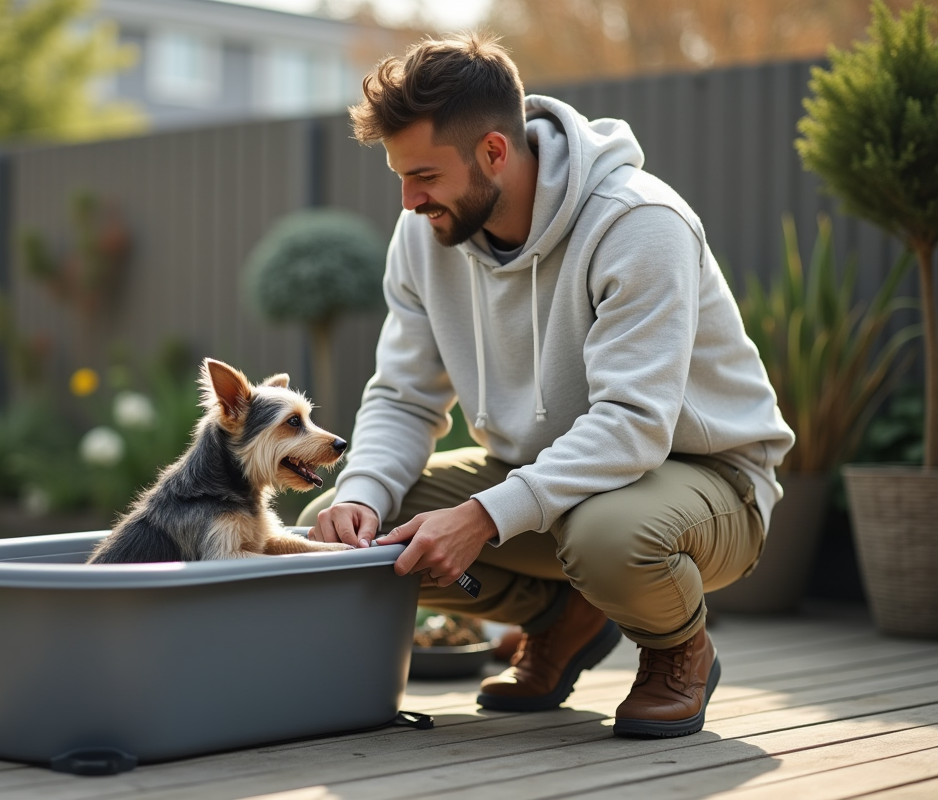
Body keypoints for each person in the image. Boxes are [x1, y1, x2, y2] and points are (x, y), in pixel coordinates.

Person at [298, 32, 795, 739]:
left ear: (495, 152)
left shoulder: (636, 223)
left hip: (705, 483)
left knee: (608, 536)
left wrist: (480, 516)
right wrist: (358, 495)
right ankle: (563, 618)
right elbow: (403, 395)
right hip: (544, 478)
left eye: (426, 177)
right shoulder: (425, 236)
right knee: (369, 530)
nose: (408, 201)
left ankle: (678, 648)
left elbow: (632, 425)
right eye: (400, 177)